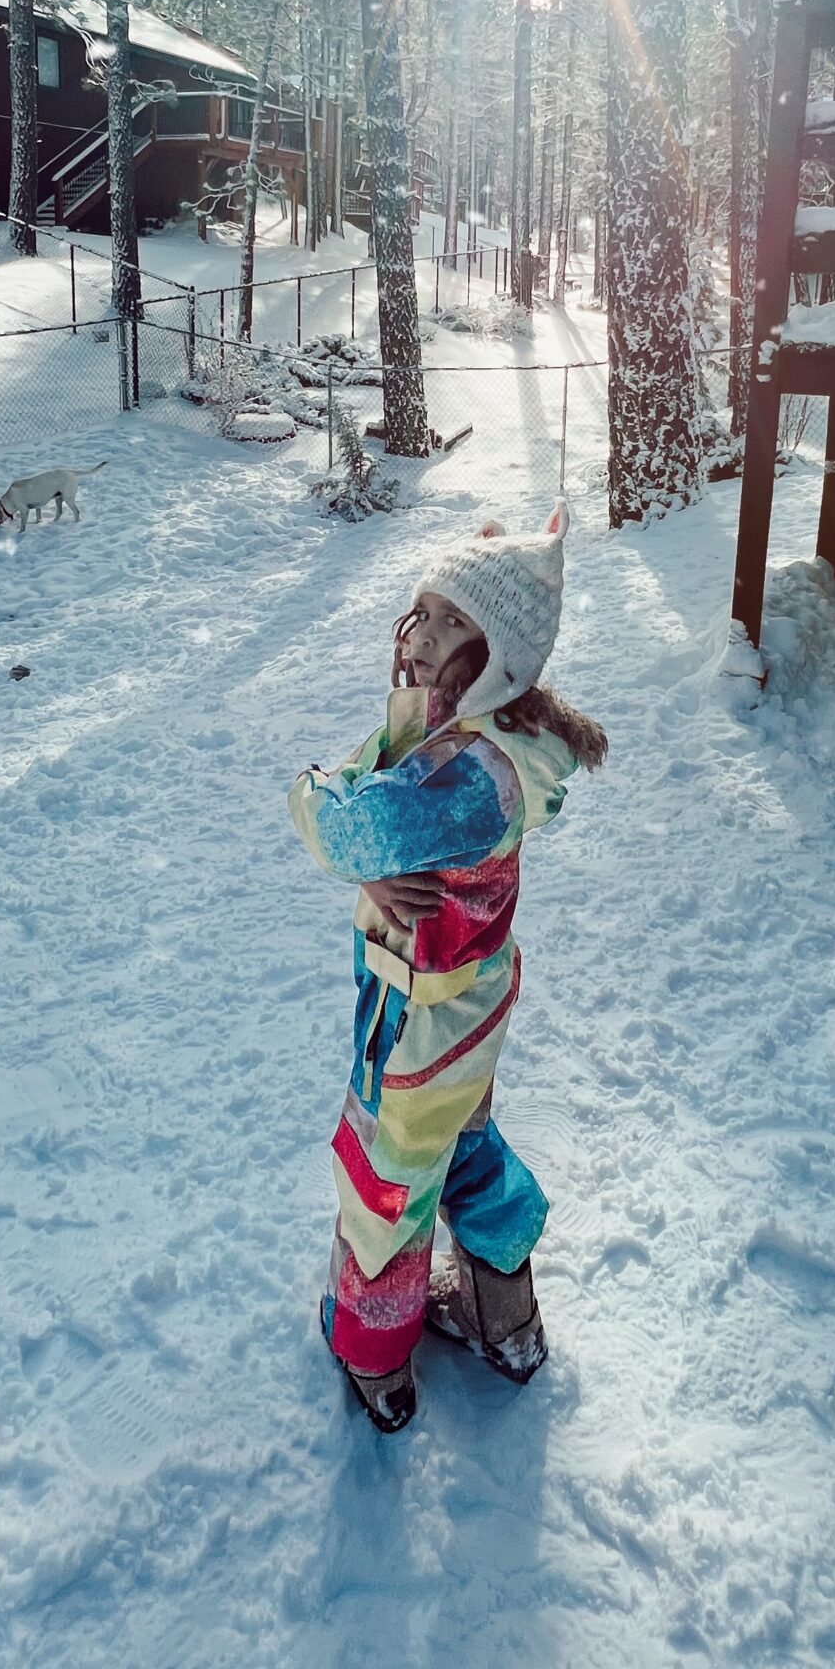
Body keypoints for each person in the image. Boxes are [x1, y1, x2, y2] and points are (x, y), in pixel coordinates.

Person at [287, 502, 607, 1433]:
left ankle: (374, 1356)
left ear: (500, 653)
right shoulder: (491, 734)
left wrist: (337, 819)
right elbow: (370, 799)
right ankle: (505, 1317)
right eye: (422, 612)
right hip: (467, 1008)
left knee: (386, 1180)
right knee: (458, 1140)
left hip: (418, 1019)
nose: (421, 637)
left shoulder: (463, 777)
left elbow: (336, 813)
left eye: (452, 623)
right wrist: (376, 859)